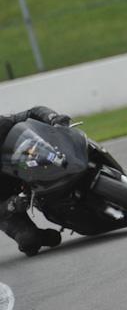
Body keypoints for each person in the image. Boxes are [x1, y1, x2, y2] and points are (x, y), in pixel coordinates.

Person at [0, 106, 71, 255]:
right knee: (29, 242)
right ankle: (41, 236)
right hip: (6, 201)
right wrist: (10, 206)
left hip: (29, 172)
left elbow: (32, 112)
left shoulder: (2, 125)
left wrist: (53, 118)